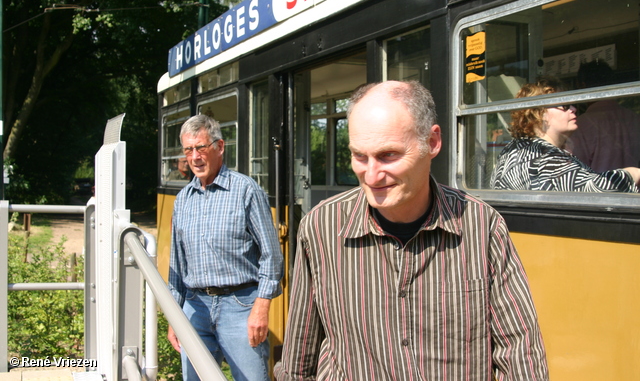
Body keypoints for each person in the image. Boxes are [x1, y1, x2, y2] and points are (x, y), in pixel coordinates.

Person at [274, 81, 549, 380]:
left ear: (432, 143)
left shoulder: (482, 227)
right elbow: (299, 358)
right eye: (359, 156)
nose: (372, 175)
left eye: (388, 155)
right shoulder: (321, 228)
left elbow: (520, 351)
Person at [168, 114, 284, 381]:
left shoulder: (246, 190)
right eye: (188, 150)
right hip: (195, 308)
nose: (194, 157)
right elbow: (176, 265)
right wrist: (175, 316)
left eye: (201, 148)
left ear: (219, 147)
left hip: (240, 306)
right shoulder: (183, 199)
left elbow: (271, 255)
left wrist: (261, 306)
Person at [490, 80, 640, 192]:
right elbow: (591, 188)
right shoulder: (540, 156)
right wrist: (633, 173)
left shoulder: (517, 149)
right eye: (565, 106)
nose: (574, 109)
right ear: (540, 113)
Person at [569, 61, 640, 171]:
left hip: (598, 187)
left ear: (583, 86)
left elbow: (575, 168)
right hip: (633, 187)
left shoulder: (580, 124)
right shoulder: (634, 118)